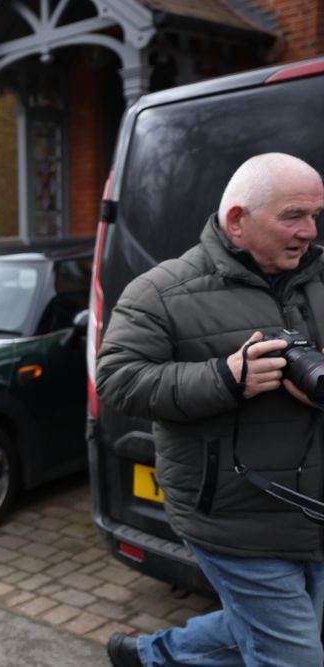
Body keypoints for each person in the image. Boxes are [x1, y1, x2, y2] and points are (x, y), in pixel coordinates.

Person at [97, 152, 324, 666]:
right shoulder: (160, 292)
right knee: (297, 654)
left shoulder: (320, 276)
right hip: (233, 515)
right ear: (237, 220)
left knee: (285, 626)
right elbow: (117, 379)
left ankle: (151, 655)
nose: (309, 231)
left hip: (311, 508)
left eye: (315, 215)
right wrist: (225, 378)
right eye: (293, 216)